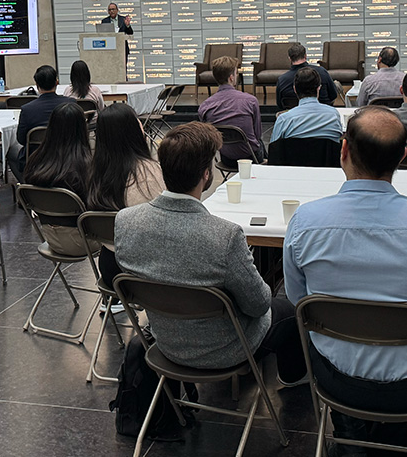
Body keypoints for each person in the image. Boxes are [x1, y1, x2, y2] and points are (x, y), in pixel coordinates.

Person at [284, 106, 407, 457]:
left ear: (343, 151)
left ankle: (349, 439)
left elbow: (297, 300)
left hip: (336, 379)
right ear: (403, 157)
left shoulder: (305, 222)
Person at [114, 122, 306, 384]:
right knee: (291, 310)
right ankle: (293, 382)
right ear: (206, 175)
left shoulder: (125, 221)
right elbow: (259, 304)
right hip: (227, 351)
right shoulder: (225, 236)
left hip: (164, 343)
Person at [86, 102, 165, 288]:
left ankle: (114, 305)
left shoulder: (95, 171)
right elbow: (165, 222)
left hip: (109, 267)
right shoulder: (150, 172)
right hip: (145, 269)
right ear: (134, 130)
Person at [22, 102, 93, 255]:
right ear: (82, 129)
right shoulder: (86, 165)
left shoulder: (36, 160)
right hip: (85, 240)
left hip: (50, 237)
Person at [10, 65, 79, 180]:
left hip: (37, 158)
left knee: (12, 151)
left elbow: (21, 139)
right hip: (68, 156)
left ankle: (26, 184)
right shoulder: (71, 103)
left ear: (37, 85)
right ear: (57, 82)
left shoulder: (27, 109)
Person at [197, 55, 265, 164]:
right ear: (231, 77)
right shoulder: (250, 101)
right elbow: (257, 134)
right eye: (236, 73)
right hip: (251, 158)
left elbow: (208, 138)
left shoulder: (205, 106)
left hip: (226, 158)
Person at [270, 67, 343, 144]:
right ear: (319, 88)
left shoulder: (284, 120)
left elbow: (274, 150)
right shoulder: (334, 116)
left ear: (295, 89)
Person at [276, 43, 338, 110]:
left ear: (290, 59)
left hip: (295, 118)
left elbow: (280, 105)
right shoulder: (322, 72)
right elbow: (333, 95)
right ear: (305, 56)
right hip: (324, 115)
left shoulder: (282, 80)